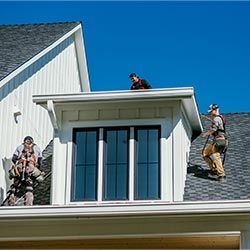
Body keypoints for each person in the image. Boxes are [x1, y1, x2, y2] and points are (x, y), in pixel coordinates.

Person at [8, 136, 44, 206]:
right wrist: (38, 168)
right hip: (30, 170)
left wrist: (18, 165)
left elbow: (14, 158)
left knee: (15, 187)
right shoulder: (37, 148)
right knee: (29, 188)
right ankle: (28, 205)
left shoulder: (20, 147)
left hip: (19, 169)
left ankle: (11, 203)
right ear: (32, 141)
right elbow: (40, 161)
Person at [202, 104, 228, 181]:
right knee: (205, 153)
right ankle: (214, 170)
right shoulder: (220, 118)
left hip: (220, 140)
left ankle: (221, 175)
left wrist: (207, 134)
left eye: (211, 111)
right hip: (219, 139)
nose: (210, 113)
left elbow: (214, 129)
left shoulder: (217, 119)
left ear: (215, 110)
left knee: (215, 155)